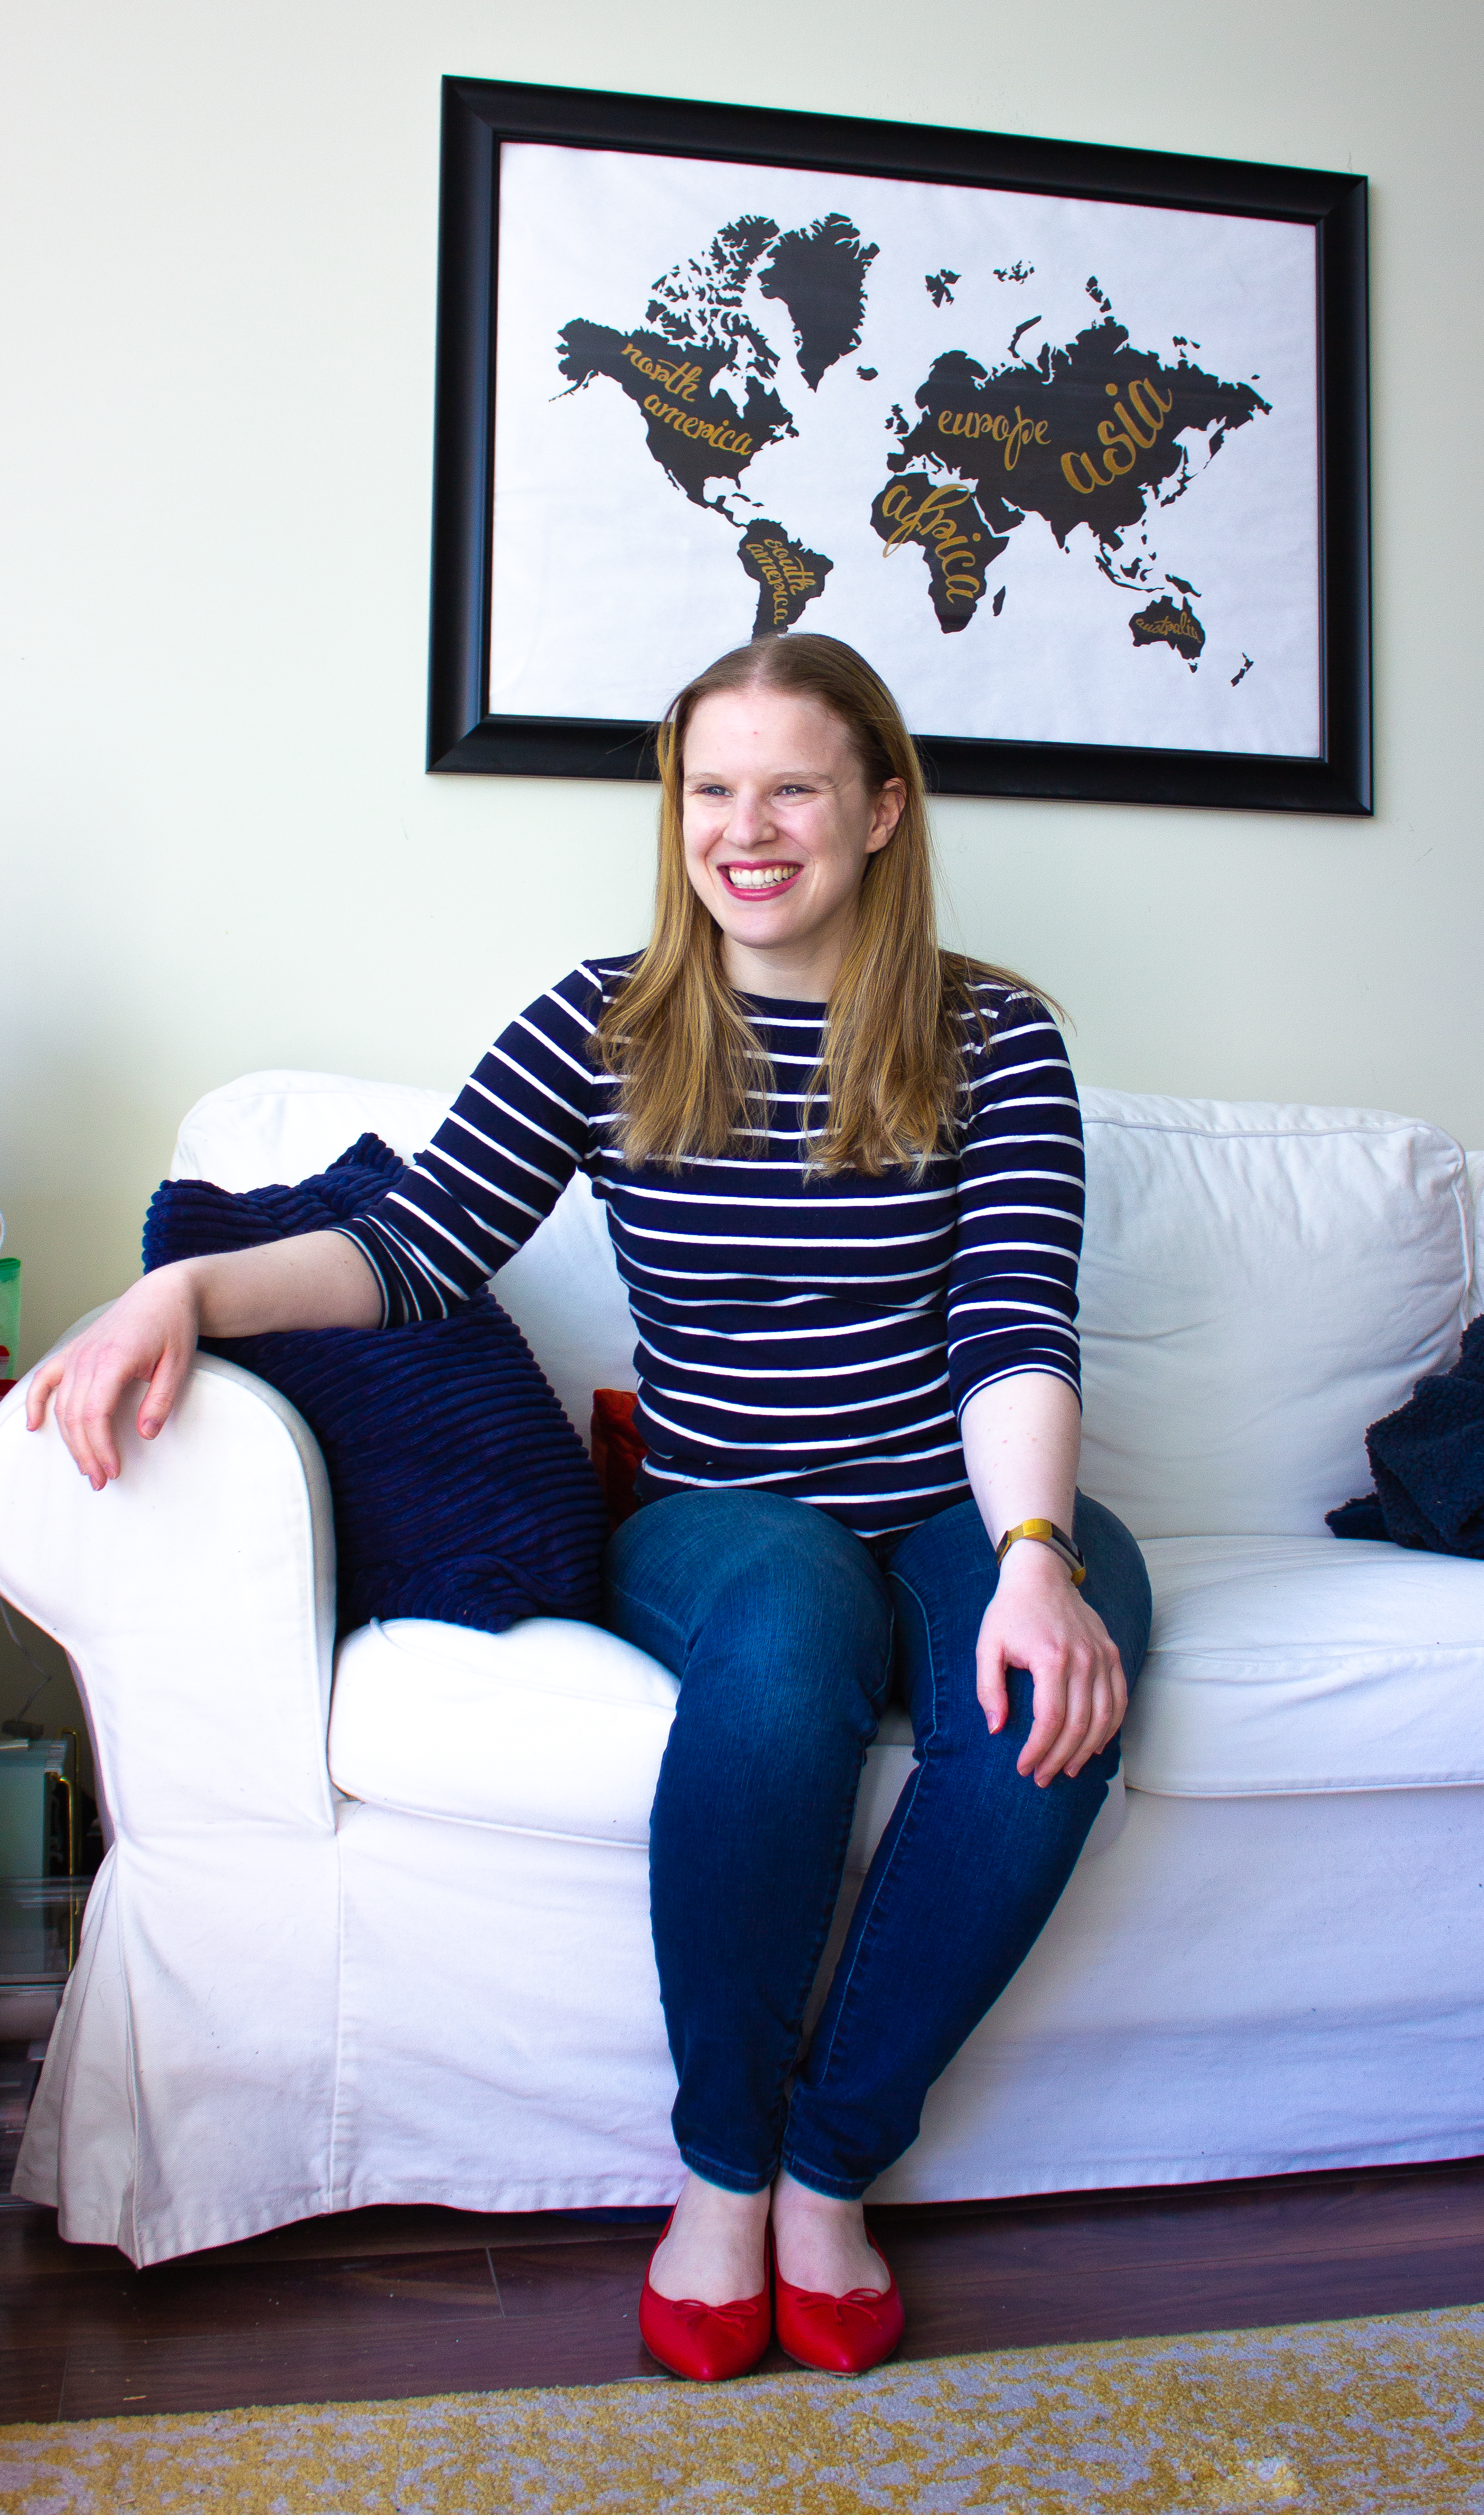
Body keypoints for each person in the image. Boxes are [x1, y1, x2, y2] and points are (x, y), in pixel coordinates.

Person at [29, 633, 1152, 2381]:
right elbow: (415, 1251)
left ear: (880, 808)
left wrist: (1032, 1559)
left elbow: (1015, 1316)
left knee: (1061, 1676)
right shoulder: (610, 1021)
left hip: (957, 1495)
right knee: (792, 1632)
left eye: (791, 786)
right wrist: (185, 1295)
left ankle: (829, 2167)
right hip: (722, 1518)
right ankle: (721, 2167)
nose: (746, 828)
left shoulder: (992, 1036)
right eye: (713, 789)